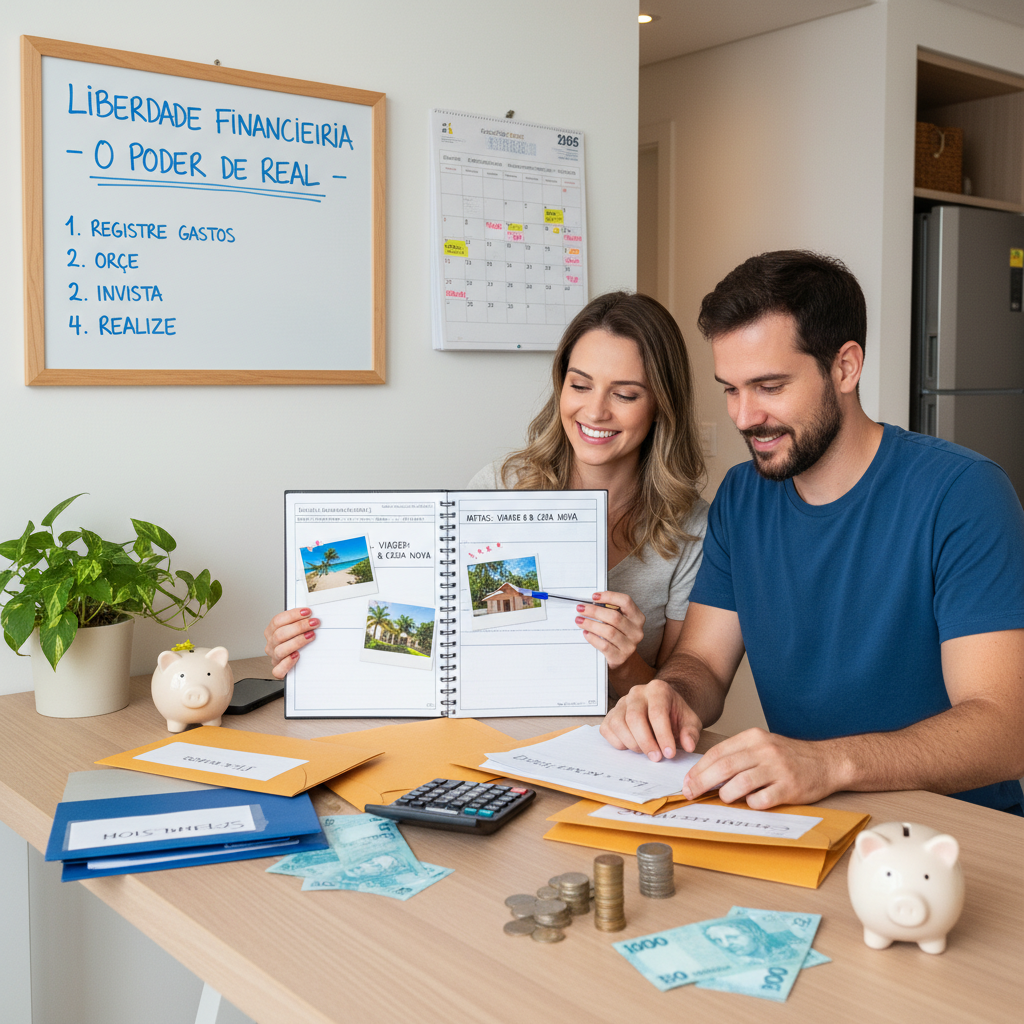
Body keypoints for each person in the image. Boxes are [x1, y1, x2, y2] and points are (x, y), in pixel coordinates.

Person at [600, 251, 1024, 814]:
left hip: (954, 835)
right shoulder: (741, 498)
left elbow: (1004, 728)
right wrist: (668, 698)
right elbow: (702, 664)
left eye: (769, 386)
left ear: (845, 367)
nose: (744, 417)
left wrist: (827, 763)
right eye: (731, 388)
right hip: (807, 818)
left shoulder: (964, 493)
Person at [264, 292, 709, 696]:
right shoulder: (502, 485)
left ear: (660, 406)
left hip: (611, 747)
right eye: (579, 385)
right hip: (490, 728)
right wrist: (319, 640)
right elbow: (428, 625)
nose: (594, 410)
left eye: (626, 394)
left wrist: (623, 662)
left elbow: (672, 699)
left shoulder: (690, 529)